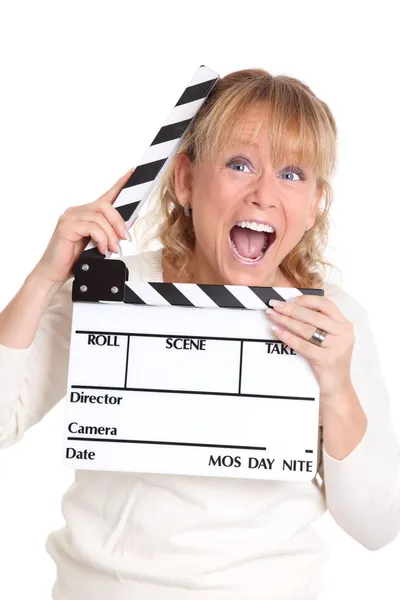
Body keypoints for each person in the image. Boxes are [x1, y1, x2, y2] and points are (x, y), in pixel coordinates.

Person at [1, 68, 399, 600]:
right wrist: (43, 279)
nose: (264, 194)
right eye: (240, 165)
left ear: (314, 206)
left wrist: (338, 389)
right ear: (186, 180)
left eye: (292, 174)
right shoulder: (115, 290)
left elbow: (376, 528)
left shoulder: (332, 323)